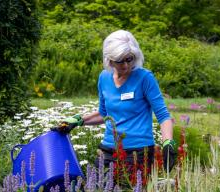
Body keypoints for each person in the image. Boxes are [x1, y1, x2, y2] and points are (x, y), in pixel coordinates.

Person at [54, 30, 176, 172]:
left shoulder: (145, 78)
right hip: (108, 149)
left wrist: (168, 142)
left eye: (129, 59)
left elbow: (163, 115)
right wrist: (78, 120)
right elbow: (103, 114)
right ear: (110, 60)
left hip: (138, 152)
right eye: (119, 61)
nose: (125, 65)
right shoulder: (104, 78)